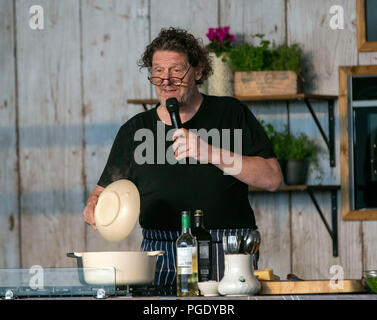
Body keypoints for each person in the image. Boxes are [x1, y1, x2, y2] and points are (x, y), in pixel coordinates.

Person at [83, 27, 282, 287]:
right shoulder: (135, 131)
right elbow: (102, 193)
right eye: (157, 71)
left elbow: (272, 178)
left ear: (198, 71)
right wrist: (93, 206)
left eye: (177, 70)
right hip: (160, 252)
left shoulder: (231, 114)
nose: (166, 80)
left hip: (229, 250)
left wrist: (209, 152)